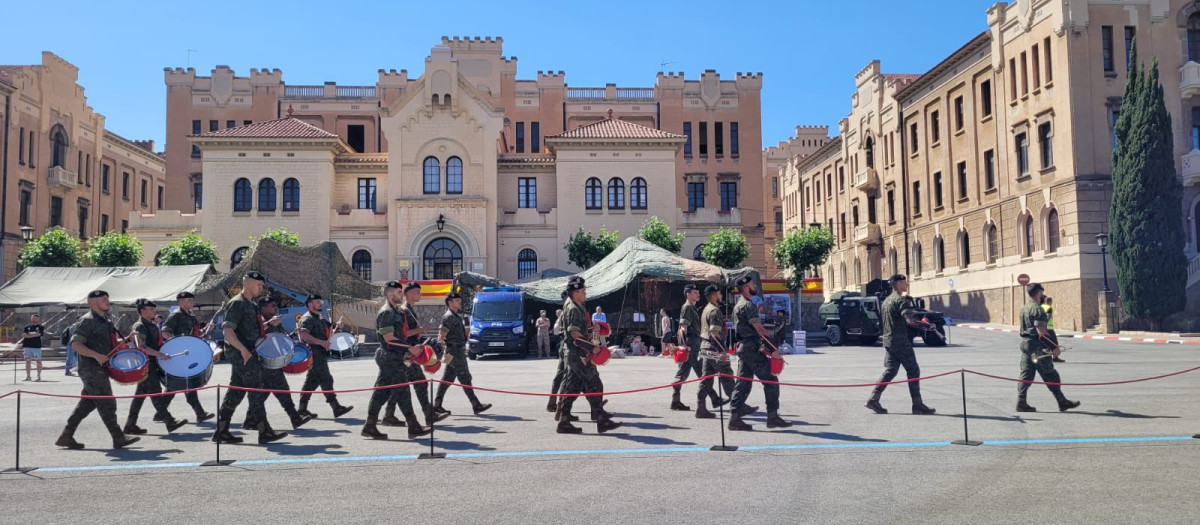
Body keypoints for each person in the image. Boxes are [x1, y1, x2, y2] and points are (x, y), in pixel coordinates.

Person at [54, 290, 140, 450]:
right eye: (104, 299)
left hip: (100, 368)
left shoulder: (104, 321)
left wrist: (125, 341)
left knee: (87, 403)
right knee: (107, 402)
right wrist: (96, 355)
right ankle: (118, 437)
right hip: (91, 369)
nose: (108, 302)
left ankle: (66, 435)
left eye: (107, 299)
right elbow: (75, 344)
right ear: (93, 303)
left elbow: (107, 343)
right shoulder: (87, 321)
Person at [211, 271, 288, 445]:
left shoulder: (251, 305)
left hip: (248, 352)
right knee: (256, 391)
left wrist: (269, 325)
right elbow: (228, 331)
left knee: (235, 393)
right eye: (259, 285)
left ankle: (221, 432)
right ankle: (264, 431)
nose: (261, 288)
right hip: (243, 354)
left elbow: (252, 331)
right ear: (248, 284)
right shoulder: (237, 303)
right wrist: (243, 351)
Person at [362, 281, 431, 440]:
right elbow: (389, 339)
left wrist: (414, 345)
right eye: (399, 292)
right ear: (390, 294)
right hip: (389, 356)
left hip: (395, 355)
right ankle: (413, 426)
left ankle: (370, 426)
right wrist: (409, 348)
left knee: (382, 392)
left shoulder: (398, 311)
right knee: (403, 391)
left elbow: (402, 335)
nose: (402, 295)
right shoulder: (386, 312)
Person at [555, 277, 620, 434]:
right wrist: (592, 348)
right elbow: (574, 333)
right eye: (583, 291)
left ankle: (564, 421)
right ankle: (601, 420)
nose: (585, 293)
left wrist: (592, 329)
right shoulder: (573, 309)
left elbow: (581, 329)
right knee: (594, 384)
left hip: (578, 353)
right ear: (575, 293)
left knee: (572, 387)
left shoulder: (579, 306)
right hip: (578, 354)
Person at [865, 275, 936, 415]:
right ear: (898, 284)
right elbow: (910, 321)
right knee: (913, 371)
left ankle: (873, 399)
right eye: (904, 282)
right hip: (900, 341)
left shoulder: (886, 301)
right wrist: (926, 325)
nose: (906, 284)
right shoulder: (901, 300)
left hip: (888, 341)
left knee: (890, 371)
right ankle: (917, 404)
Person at [728, 276, 791, 431]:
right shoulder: (748, 306)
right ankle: (772, 417)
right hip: (751, 349)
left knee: (743, 383)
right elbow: (760, 330)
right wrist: (774, 350)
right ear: (746, 288)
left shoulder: (739, 305)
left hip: (744, 348)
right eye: (752, 284)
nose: (755, 285)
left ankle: (734, 419)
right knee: (771, 380)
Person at [384, 282, 450, 425]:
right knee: (419, 384)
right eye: (417, 292)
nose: (420, 294)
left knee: (400, 385)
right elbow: (404, 333)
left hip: (410, 352)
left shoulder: (410, 311)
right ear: (408, 294)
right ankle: (429, 416)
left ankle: (388, 415)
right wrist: (422, 329)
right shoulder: (404, 311)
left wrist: (425, 338)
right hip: (408, 353)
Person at [124, 298, 189, 435]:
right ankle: (169, 421)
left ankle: (130, 425)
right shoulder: (140, 326)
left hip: (152, 363)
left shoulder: (152, 325)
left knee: (140, 396)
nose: (155, 311)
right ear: (143, 311)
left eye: (154, 309)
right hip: (146, 364)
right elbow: (141, 346)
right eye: (151, 309)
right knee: (155, 393)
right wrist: (159, 354)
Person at [251, 296, 314, 430]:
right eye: (272, 305)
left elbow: (281, 338)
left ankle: (250, 420)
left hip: (275, 360)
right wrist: (268, 324)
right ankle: (295, 419)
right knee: (283, 390)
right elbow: (253, 334)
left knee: (264, 391)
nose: (276, 307)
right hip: (264, 361)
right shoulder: (258, 320)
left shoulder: (276, 321)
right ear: (263, 308)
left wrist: (292, 335)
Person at [1017, 283, 1081, 413]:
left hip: (1025, 344)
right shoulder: (1037, 309)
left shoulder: (1024, 308)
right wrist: (1054, 348)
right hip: (1037, 347)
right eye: (1041, 293)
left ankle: (1021, 402)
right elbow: (1041, 332)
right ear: (1039, 293)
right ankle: (1062, 402)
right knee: (1050, 373)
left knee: (1026, 374)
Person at [433, 292, 492, 415]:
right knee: (465, 377)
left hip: (455, 351)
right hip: (454, 352)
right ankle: (476, 405)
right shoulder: (448, 317)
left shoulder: (455, 316)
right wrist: (438, 349)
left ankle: (437, 405)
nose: (459, 301)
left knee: (447, 378)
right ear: (450, 302)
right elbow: (441, 335)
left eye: (459, 299)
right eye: (456, 300)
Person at [296, 294, 354, 419]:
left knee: (311, 382)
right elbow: (304, 336)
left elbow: (329, 327)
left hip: (320, 354)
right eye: (317, 302)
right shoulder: (307, 318)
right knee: (326, 379)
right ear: (310, 304)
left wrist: (337, 325)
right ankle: (336, 407)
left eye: (320, 301)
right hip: (314, 354)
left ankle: (302, 409)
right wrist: (321, 342)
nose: (320, 303)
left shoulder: (319, 317)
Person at [161, 291, 215, 423]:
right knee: (185, 383)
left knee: (177, 385)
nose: (192, 302)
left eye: (192, 299)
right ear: (180, 301)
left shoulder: (190, 316)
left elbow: (195, 335)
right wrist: (176, 344)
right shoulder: (176, 315)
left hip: (189, 353)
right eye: (188, 300)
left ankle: (160, 411)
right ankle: (200, 413)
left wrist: (205, 331)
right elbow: (165, 332)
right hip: (180, 354)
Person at [696, 285, 733, 419]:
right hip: (714, 349)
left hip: (705, 347)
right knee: (727, 375)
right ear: (713, 296)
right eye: (719, 294)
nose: (721, 296)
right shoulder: (715, 311)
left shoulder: (706, 309)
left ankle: (701, 408)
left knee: (706, 379)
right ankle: (738, 406)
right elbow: (714, 334)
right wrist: (722, 351)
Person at [669, 285, 703, 411]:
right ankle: (713, 398)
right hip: (691, 343)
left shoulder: (692, 307)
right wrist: (683, 345)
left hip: (693, 342)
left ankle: (675, 401)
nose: (698, 294)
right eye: (695, 292)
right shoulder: (687, 307)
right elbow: (683, 327)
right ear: (688, 294)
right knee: (701, 372)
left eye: (698, 292)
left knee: (682, 372)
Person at [19, 314, 45, 382]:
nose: (34, 319)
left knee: (38, 361)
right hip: (27, 346)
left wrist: (29, 335)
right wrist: (34, 335)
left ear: (38, 319)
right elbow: (24, 335)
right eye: (33, 318)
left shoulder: (40, 327)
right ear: (31, 319)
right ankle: (28, 376)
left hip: (36, 347)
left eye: (36, 318)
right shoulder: (26, 327)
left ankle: (38, 376)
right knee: (28, 361)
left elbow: (39, 334)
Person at [1042, 296, 1064, 363]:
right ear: (1049, 302)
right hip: (1049, 328)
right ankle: (1055, 357)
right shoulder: (1049, 308)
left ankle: (1046, 356)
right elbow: (1048, 318)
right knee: (1054, 342)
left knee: (1045, 342)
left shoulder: (1041, 307)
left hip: (1042, 327)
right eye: (1051, 302)